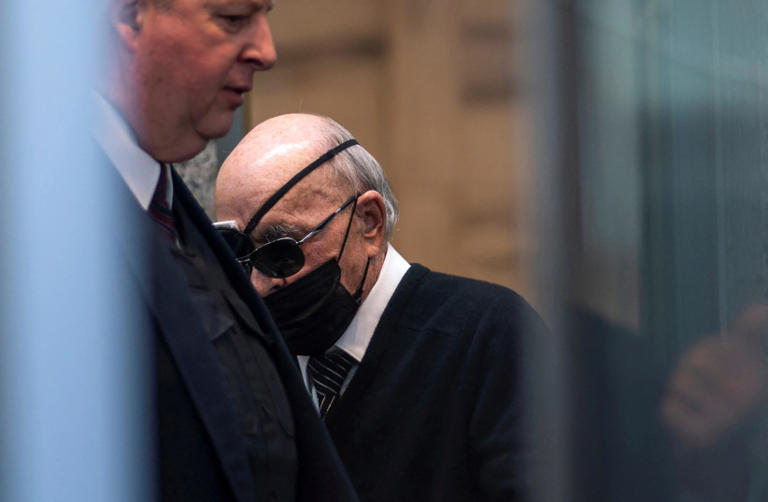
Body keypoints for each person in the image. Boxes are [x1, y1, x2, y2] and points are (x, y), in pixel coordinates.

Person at [93, 2, 357, 501]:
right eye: (233, 18)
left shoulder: (172, 214)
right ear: (128, 17)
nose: (267, 51)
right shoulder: (44, 230)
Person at [214, 112, 549, 502]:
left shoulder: (489, 337)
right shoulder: (254, 360)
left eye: (282, 251)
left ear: (368, 221)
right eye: (238, 255)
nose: (258, 284)